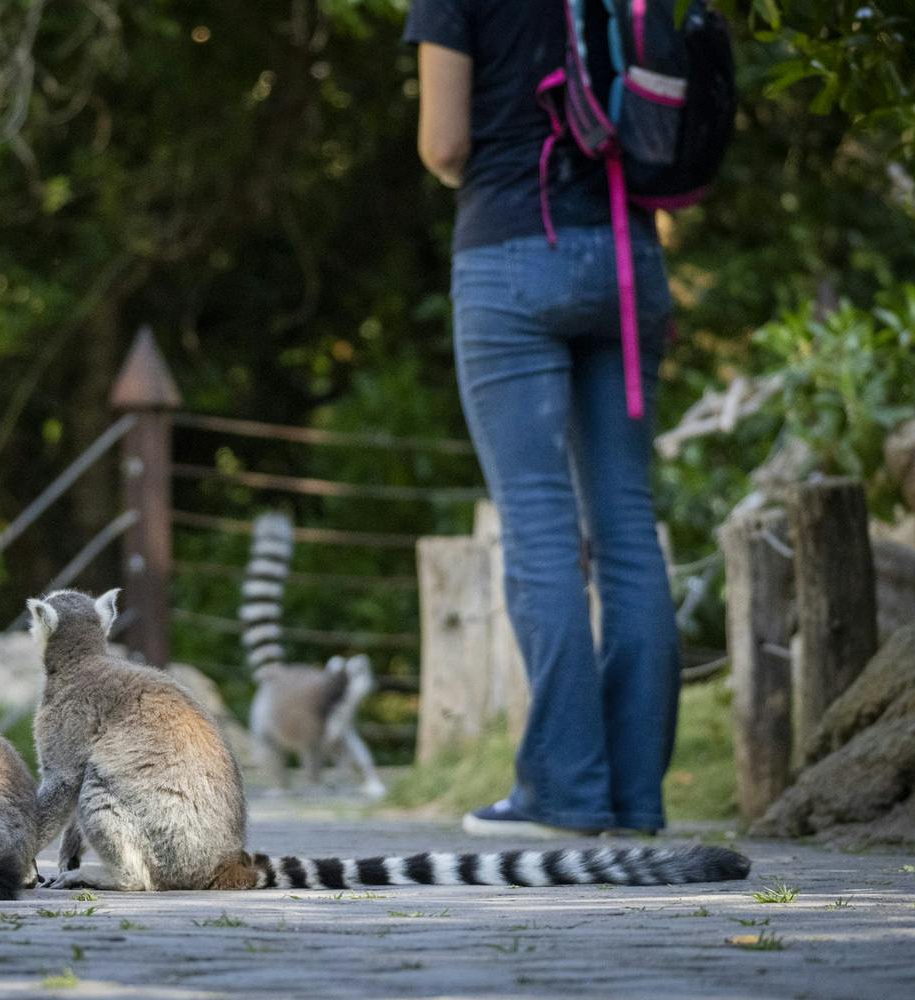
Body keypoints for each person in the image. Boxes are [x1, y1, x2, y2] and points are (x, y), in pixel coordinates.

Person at [405, 1, 681, 837]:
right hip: (628, 257)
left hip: (513, 252)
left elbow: (444, 143)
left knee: (538, 525)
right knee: (628, 524)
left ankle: (565, 791)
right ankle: (634, 798)